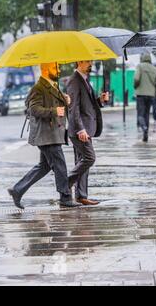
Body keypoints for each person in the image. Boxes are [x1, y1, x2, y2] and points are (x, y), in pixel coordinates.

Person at [8, 63, 80, 209]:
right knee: (60, 164)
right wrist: (54, 111)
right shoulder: (38, 88)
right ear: (45, 69)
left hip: (52, 133)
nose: (58, 70)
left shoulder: (53, 85)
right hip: (46, 134)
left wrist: (65, 101)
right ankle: (65, 197)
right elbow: (33, 109)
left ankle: (17, 190)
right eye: (55, 67)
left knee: (44, 166)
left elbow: (56, 106)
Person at [67, 61, 109, 206]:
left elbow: (88, 106)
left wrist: (100, 100)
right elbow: (73, 108)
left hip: (86, 128)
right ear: (79, 62)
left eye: (91, 61)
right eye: (87, 61)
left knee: (82, 161)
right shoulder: (74, 81)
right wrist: (80, 129)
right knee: (89, 158)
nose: (91, 63)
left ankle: (81, 195)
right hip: (80, 130)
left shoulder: (84, 79)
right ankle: (65, 184)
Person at [134, 53, 156, 142]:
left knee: (140, 114)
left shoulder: (140, 66)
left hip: (141, 94)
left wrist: (135, 86)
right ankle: (146, 136)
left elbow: (136, 78)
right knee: (147, 115)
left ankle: (144, 127)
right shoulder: (154, 69)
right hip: (151, 95)